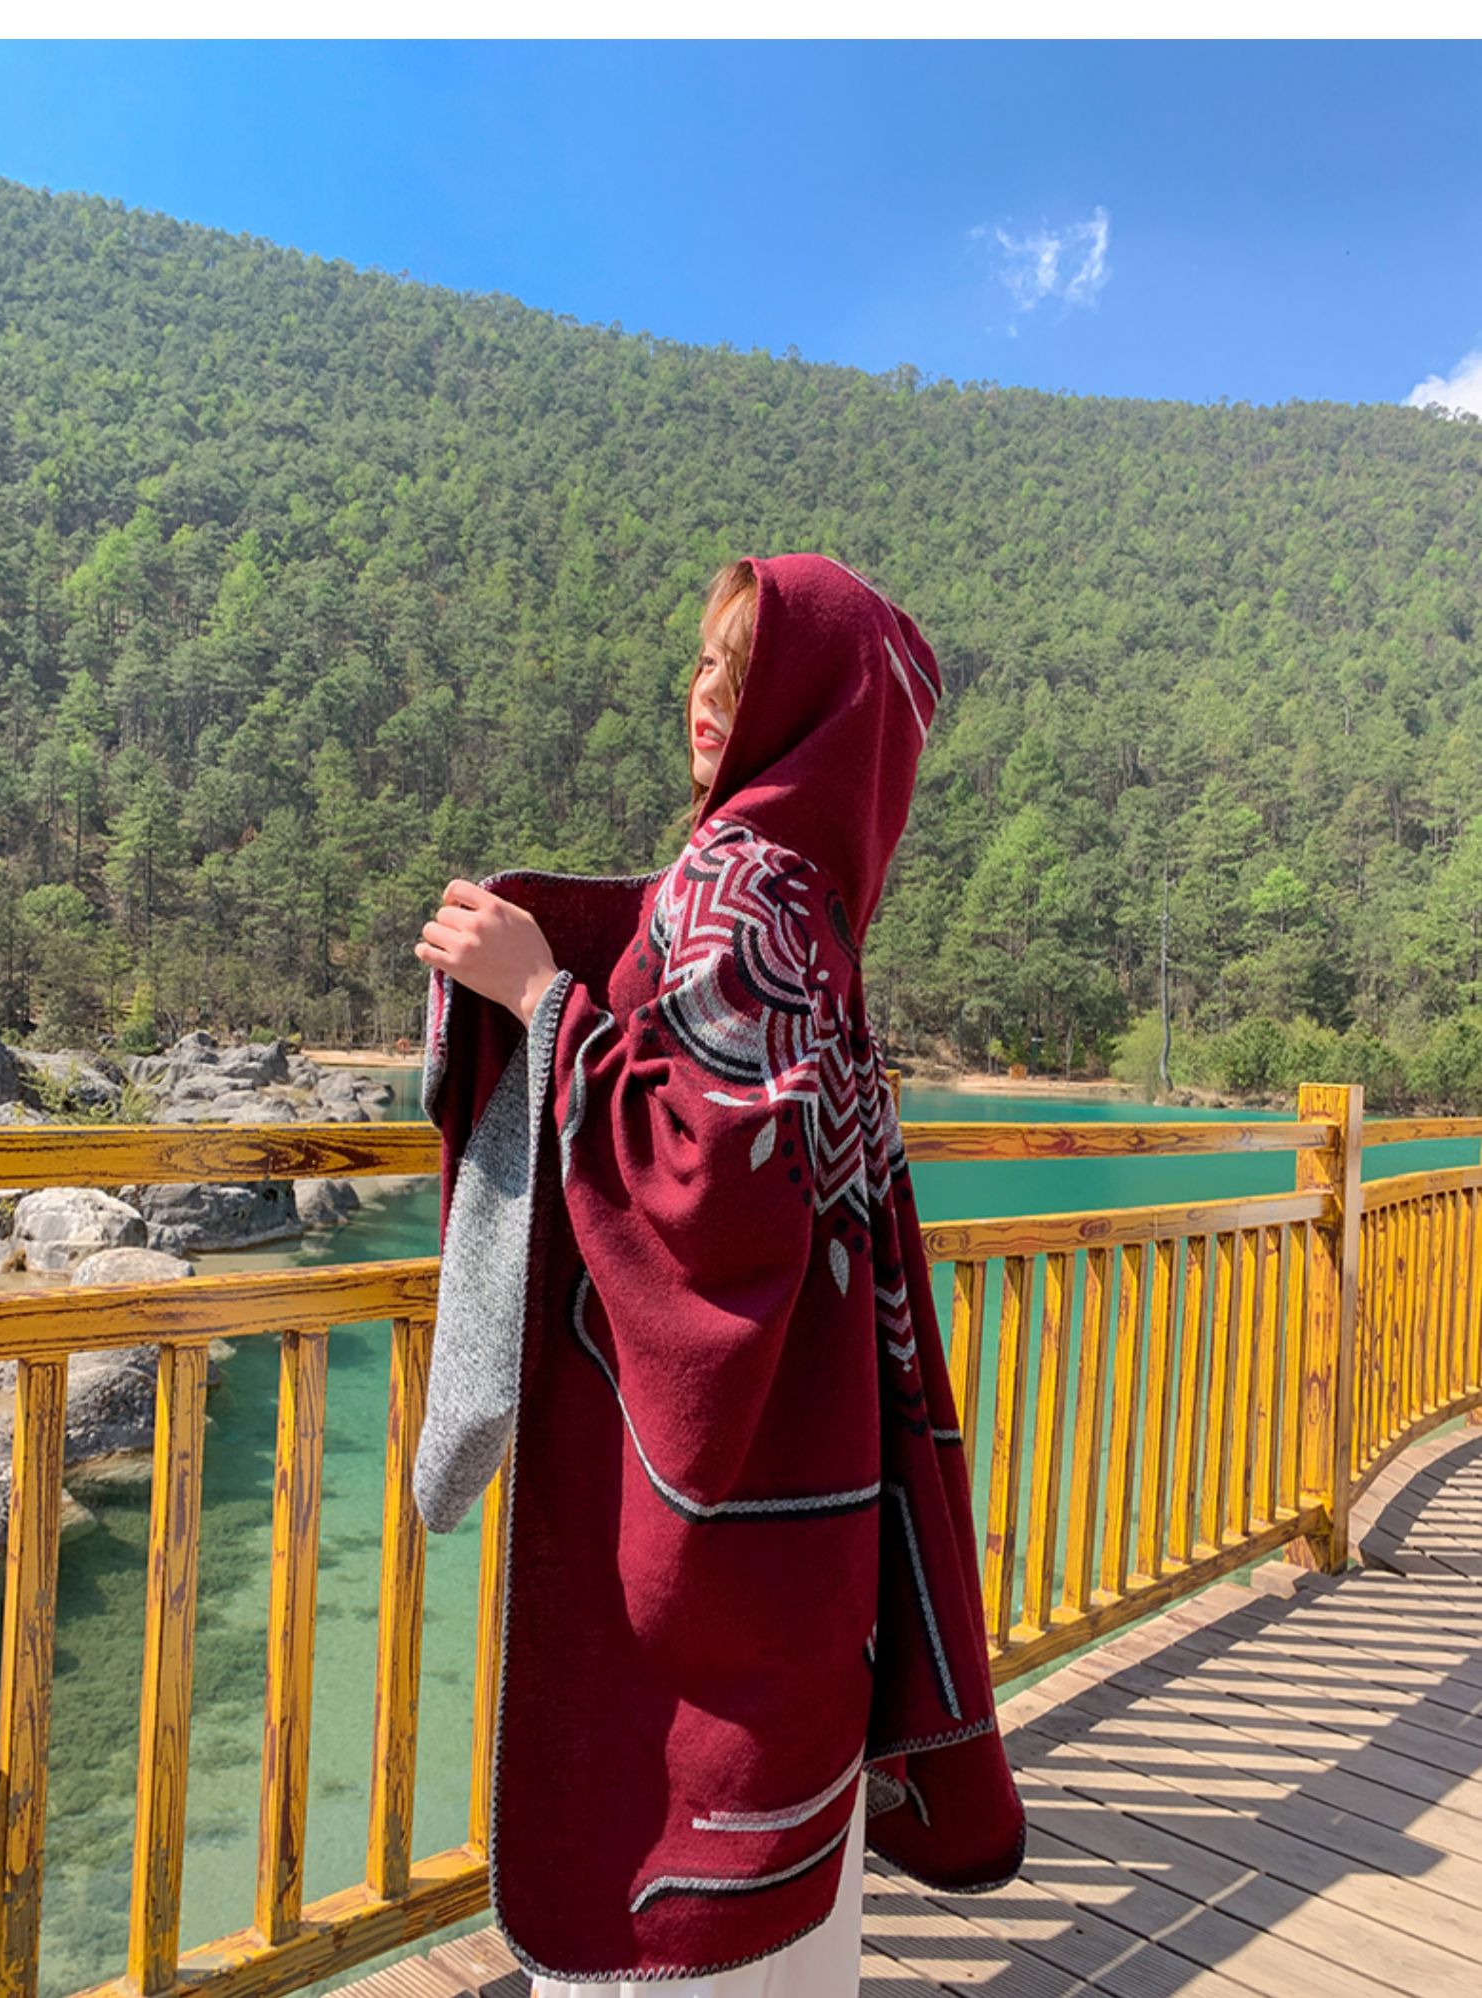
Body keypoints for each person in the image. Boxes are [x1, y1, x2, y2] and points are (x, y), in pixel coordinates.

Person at [412, 554, 1026, 1993]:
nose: (707, 694)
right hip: (813, 1478)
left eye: (748, 673)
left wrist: (536, 994)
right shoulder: (815, 903)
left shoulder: (739, 885)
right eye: (704, 662)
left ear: (809, 714)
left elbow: (709, 1182)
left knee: (652, 1868)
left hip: (701, 1501)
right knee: (789, 1896)